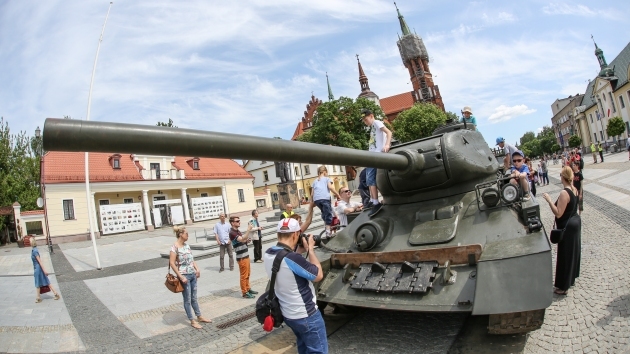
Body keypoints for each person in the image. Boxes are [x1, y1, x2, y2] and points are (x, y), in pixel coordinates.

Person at [263, 218, 326, 354]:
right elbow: (318, 275)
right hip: (307, 315)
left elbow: (284, 263)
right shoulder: (292, 259)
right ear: (295, 234)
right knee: (318, 351)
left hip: (289, 315)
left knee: (303, 347)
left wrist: (298, 252)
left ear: (277, 235)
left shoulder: (268, 253)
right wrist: (310, 250)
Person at [541, 166, 581, 296]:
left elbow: (558, 213)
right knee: (573, 252)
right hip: (575, 222)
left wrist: (549, 200)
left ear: (563, 177)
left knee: (565, 256)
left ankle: (563, 287)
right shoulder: (574, 189)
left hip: (568, 227)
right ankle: (571, 278)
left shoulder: (565, 193)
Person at [169, 226, 212, 329]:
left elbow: (192, 260)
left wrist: (197, 269)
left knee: (194, 297)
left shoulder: (187, 246)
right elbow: (172, 263)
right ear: (181, 234)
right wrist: (180, 276)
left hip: (193, 274)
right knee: (187, 299)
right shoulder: (174, 247)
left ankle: (199, 316)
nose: (188, 235)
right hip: (184, 276)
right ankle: (192, 321)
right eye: (186, 234)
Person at [361, 109, 392, 217]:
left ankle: (375, 202)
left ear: (371, 116)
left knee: (371, 178)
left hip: (376, 154)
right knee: (368, 179)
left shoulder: (377, 123)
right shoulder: (372, 128)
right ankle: (373, 200)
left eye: (366, 119)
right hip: (372, 155)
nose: (366, 122)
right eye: (364, 121)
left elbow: (389, 132)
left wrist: (387, 145)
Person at [229, 216, 257, 299]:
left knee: (248, 274)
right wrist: (248, 230)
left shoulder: (237, 231)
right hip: (241, 257)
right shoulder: (232, 232)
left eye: (239, 221)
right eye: (237, 221)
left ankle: (248, 288)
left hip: (245, 255)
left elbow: (243, 240)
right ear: (232, 223)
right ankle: (244, 292)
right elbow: (242, 239)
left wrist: (246, 241)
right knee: (243, 275)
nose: (239, 222)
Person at [312, 165, 341, 238]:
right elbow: (330, 187)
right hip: (324, 198)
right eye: (327, 172)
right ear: (324, 172)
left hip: (317, 200)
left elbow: (312, 193)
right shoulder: (327, 179)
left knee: (324, 213)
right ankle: (328, 232)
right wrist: (338, 194)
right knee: (328, 214)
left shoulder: (315, 181)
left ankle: (326, 228)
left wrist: (312, 202)